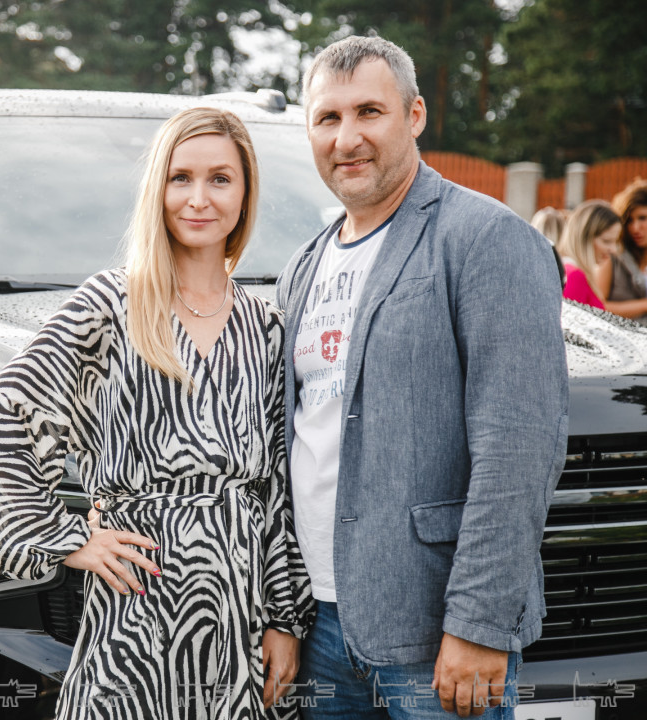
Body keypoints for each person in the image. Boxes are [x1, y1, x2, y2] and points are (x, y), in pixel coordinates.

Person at [0, 106, 314, 720]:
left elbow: (277, 494)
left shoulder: (267, 327)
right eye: (181, 178)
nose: (199, 198)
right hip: (135, 612)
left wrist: (283, 620)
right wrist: (69, 538)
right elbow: (1, 420)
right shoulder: (111, 304)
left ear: (244, 194)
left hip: (238, 619)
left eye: (220, 179)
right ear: (158, 188)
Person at [275, 36, 568, 719]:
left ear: (414, 116)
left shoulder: (485, 238)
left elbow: (520, 447)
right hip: (317, 624)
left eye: (369, 112)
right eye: (327, 118)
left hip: (434, 631)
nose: (346, 138)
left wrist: (479, 623)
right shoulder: (301, 267)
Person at [556, 200, 621, 310]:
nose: (613, 250)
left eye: (615, 241)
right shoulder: (574, 276)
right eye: (606, 241)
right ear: (585, 238)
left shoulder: (568, 270)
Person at [600, 178, 647, 323]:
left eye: (642, 218)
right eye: (629, 220)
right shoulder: (612, 255)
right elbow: (597, 306)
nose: (635, 228)